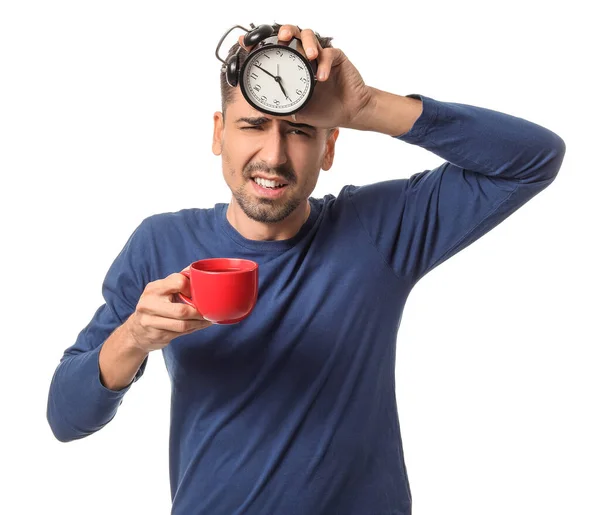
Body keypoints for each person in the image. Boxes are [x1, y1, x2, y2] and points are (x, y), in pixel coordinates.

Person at [47, 22, 566, 515]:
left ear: (330, 146)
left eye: (299, 130)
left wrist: (368, 106)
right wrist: (134, 337)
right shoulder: (160, 243)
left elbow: (533, 158)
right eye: (252, 125)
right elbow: (66, 418)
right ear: (218, 134)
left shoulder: (379, 229)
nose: (273, 156)